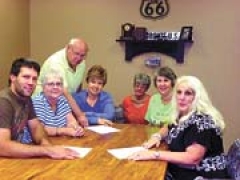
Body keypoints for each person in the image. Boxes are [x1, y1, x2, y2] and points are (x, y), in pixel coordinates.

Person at [128, 76, 229, 180]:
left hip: (202, 175)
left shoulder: (202, 120)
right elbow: (168, 127)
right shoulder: (183, 114)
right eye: (179, 92)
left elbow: (193, 158)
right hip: (181, 171)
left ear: (197, 97)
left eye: (188, 93)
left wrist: (155, 154)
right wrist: (157, 136)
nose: (181, 97)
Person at [0, 58, 79, 159]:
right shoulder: (4, 102)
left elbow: (36, 128)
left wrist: (49, 146)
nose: (31, 82)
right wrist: (47, 151)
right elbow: (2, 146)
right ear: (13, 77)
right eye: (26, 77)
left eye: (34, 79)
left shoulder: (26, 98)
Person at [33, 38, 89, 127]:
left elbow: (78, 85)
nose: (79, 58)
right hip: (46, 103)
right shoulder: (56, 63)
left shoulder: (81, 62)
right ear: (68, 48)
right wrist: (80, 115)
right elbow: (64, 91)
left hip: (62, 102)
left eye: (82, 55)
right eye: (76, 53)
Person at [26, 69, 84, 140]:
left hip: (60, 141)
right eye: (51, 84)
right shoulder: (38, 102)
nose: (55, 87)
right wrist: (64, 130)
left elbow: (71, 120)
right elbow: (40, 129)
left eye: (58, 84)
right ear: (43, 87)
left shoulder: (62, 100)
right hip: (39, 143)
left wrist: (76, 128)